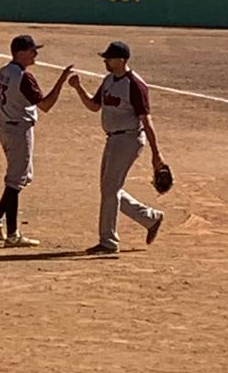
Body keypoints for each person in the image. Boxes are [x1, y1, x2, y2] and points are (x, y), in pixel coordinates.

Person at [69, 40, 165, 255]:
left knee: (110, 190)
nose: (105, 61)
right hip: (113, 140)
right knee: (109, 189)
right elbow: (94, 106)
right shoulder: (109, 80)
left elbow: (147, 121)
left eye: (109, 58)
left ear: (122, 60)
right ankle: (150, 218)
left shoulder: (135, 85)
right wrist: (78, 88)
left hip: (128, 140)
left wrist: (156, 154)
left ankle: (108, 241)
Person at [0, 34, 71, 248]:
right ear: (20, 53)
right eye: (32, 50)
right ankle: (12, 234)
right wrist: (61, 80)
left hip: (5, 127)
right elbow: (46, 105)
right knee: (15, 181)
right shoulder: (24, 77)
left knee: (22, 177)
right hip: (19, 131)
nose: (36, 54)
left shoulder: (3, 71)